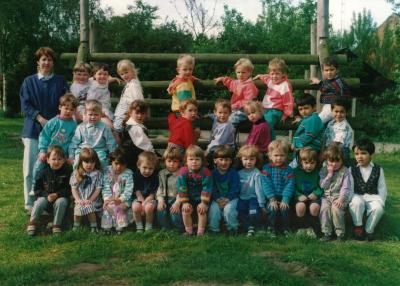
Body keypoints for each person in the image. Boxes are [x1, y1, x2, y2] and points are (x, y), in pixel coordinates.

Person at [20, 47, 69, 212]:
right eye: (43, 59)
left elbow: (67, 103)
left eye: (49, 60)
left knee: (57, 167)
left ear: (53, 63)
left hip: (57, 133)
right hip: (33, 130)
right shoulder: (28, 82)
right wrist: (40, 119)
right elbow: (25, 105)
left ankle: (54, 202)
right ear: (38, 62)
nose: (46, 62)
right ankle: (30, 204)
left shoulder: (60, 81)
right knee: (31, 168)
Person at [31, 93, 78, 186]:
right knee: (39, 166)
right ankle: (35, 185)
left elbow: (73, 142)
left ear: (74, 111)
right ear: (60, 107)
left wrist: (71, 156)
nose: (68, 111)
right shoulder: (53, 122)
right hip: (49, 153)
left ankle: (69, 191)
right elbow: (44, 136)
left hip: (63, 155)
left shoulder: (74, 125)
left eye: (71, 109)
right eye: (66, 108)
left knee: (69, 171)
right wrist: (43, 151)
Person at [27, 146, 72, 236]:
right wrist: (46, 195)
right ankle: (32, 223)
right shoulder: (43, 172)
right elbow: (37, 190)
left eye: (59, 159)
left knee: (61, 201)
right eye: (53, 159)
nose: (56, 161)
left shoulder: (67, 173)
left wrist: (57, 194)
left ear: (64, 160)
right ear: (48, 160)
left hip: (60, 201)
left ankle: (56, 225)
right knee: (39, 201)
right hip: (46, 199)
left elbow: (69, 189)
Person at [349, 139, 387, 241]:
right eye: (356, 154)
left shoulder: (378, 169)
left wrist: (381, 202)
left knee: (378, 208)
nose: (359, 157)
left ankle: (369, 230)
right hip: (357, 195)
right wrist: (350, 199)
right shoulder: (352, 169)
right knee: (356, 203)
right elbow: (350, 187)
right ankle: (358, 227)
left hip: (373, 196)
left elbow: (382, 188)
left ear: (371, 154)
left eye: (363, 153)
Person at [253, 57, 294, 139]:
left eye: (277, 74)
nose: (274, 76)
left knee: (267, 125)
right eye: (272, 74)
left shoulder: (285, 85)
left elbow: (288, 101)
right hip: (266, 109)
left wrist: (286, 114)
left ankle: (271, 143)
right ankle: (260, 142)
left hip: (276, 110)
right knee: (258, 122)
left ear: (283, 74)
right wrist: (259, 76)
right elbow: (266, 78)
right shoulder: (271, 81)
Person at [69, 100, 117, 168]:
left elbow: (111, 142)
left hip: (98, 151)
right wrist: (71, 156)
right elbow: (74, 143)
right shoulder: (80, 127)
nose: (93, 117)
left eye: (96, 114)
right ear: (85, 114)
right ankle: (78, 177)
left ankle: (101, 177)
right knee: (77, 163)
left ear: (100, 115)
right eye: (90, 114)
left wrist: (112, 154)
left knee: (102, 163)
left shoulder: (104, 127)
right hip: (83, 150)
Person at [319, 143, 352, 241]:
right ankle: (326, 232)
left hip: (339, 197)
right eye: (331, 161)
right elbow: (322, 186)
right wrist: (329, 175)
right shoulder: (324, 170)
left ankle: (340, 234)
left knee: (336, 209)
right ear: (326, 160)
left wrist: (341, 199)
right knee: (324, 209)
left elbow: (346, 188)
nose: (334, 164)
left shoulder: (345, 171)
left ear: (342, 160)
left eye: (337, 161)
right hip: (326, 197)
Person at [261, 139, 295, 236]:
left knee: (285, 209)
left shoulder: (289, 170)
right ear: (270, 156)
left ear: (286, 156)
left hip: (284, 197)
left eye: (282, 155)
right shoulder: (266, 168)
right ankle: (271, 228)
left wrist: (285, 199)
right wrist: (272, 199)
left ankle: (286, 228)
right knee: (272, 209)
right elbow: (266, 185)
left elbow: (290, 185)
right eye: (276, 155)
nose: (279, 158)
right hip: (271, 197)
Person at [177, 145, 213, 236]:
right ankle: (189, 231)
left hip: (202, 198)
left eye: (197, 159)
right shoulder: (183, 172)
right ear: (186, 161)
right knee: (185, 211)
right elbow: (182, 187)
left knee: (201, 211)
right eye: (191, 159)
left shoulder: (206, 172)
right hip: (188, 198)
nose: (194, 162)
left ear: (202, 161)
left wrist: (204, 202)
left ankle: (200, 233)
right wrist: (185, 202)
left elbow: (207, 188)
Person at [214, 58, 258, 127]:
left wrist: (236, 105)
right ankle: (219, 134)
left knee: (231, 120)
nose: (240, 74)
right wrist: (223, 79)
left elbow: (248, 101)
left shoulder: (250, 86)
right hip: (234, 109)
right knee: (218, 118)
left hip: (244, 111)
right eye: (238, 72)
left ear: (250, 73)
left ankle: (229, 135)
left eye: (243, 72)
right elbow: (230, 82)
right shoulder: (237, 82)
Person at [167, 54, 201, 140]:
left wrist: (194, 78)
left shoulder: (183, 79)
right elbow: (185, 102)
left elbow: (188, 77)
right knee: (193, 131)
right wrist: (192, 113)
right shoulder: (182, 85)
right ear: (178, 70)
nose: (188, 72)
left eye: (190, 69)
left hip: (183, 111)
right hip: (183, 112)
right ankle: (190, 147)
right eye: (185, 69)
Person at [208, 145, 240, 235]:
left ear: (230, 161)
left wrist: (228, 199)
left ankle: (232, 228)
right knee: (214, 209)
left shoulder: (233, 173)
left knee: (229, 209)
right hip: (217, 198)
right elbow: (211, 188)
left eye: (226, 160)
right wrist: (217, 199)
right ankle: (214, 229)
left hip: (231, 198)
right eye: (221, 160)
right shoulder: (212, 174)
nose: (224, 162)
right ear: (215, 161)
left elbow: (235, 189)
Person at [70, 148, 103, 233]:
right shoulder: (76, 173)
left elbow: (98, 189)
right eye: (86, 162)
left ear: (96, 162)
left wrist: (90, 200)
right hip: (80, 199)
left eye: (92, 162)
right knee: (78, 208)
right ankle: (76, 225)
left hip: (93, 199)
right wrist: (78, 199)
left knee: (89, 207)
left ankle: (94, 226)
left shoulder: (97, 174)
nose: (89, 165)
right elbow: (74, 188)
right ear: (81, 162)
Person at [101, 147, 134, 234]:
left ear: (126, 164)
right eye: (116, 163)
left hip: (123, 199)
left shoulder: (128, 173)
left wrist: (120, 199)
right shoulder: (107, 171)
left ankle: (120, 227)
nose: (119, 167)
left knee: (119, 208)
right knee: (107, 207)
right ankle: (107, 227)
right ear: (111, 162)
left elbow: (128, 190)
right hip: (110, 198)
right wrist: (107, 199)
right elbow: (105, 187)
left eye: (122, 164)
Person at [310, 56, 351, 123]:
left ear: (337, 70)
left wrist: (319, 82)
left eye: (332, 70)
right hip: (331, 106)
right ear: (323, 71)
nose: (329, 72)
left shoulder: (338, 81)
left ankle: (311, 130)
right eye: (326, 70)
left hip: (336, 107)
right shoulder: (330, 81)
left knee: (318, 121)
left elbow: (327, 87)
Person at [236, 145, 265, 237]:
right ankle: (248, 227)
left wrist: (261, 204)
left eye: (252, 159)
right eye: (245, 159)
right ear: (241, 159)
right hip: (242, 198)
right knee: (241, 212)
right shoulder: (239, 173)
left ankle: (256, 226)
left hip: (253, 198)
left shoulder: (257, 173)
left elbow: (259, 190)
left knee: (253, 212)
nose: (248, 162)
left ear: (256, 160)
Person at [293, 147, 323, 236]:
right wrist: (298, 195)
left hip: (313, 196)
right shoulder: (295, 172)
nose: (309, 166)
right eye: (306, 163)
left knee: (314, 208)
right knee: (300, 207)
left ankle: (312, 228)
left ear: (316, 163)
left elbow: (322, 186)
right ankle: (301, 228)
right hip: (300, 196)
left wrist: (316, 193)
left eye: (312, 163)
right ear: (301, 162)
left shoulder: (318, 173)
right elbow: (292, 187)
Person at [291, 93, 324, 168]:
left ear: (314, 107)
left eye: (306, 108)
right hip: (306, 150)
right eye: (300, 109)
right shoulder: (309, 119)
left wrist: (295, 143)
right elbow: (307, 127)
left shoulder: (313, 119)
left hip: (310, 151)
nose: (303, 112)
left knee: (294, 168)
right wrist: (300, 121)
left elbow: (309, 135)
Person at [120, 100, 154, 171]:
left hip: (132, 155)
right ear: (130, 113)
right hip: (133, 156)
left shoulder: (133, 124)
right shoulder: (134, 127)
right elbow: (144, 144)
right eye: (137, 113)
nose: (140, 116)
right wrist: (153, 154)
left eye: (142, 113)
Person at [156, 147, 184, 232]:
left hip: (177, 198)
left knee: (174, 213)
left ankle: (178, 228)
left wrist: (177, 202)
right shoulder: (161, 173)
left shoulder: (181, 174)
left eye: (175, 161)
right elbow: (160, 188)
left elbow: (183, 190)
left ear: (179, 162)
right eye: (169, 161)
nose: (172, 164)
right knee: (161, 210)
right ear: (165, 161)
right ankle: (165, 228)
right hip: (164, 197)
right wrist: (160, 200)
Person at [113, 59, 144, 136]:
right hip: (123, 114)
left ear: (132, 71)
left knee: (116, 130)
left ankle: (119, 147)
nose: (124, 76)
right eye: (122, 74)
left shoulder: (133, 85)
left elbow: (136, 101)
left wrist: (130, 114)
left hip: (126, 115)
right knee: (117, 130)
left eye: (126, 72)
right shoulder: (130, 84)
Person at [132, 151, 159, 232]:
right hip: (139, 198)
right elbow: (137, 191)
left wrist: (144, 204)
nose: (147, 171)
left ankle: (148, 226)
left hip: (150, 199)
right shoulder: (135, 176)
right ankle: (139, 226)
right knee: (136, 207)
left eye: (151, 168)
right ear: (138, 166)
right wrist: (142, 202)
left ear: (154, 168)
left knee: (149, 207)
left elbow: (152, 194)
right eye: (145, 167)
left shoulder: (155, 177)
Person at [205, 99, 236, 168]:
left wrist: (208, 149)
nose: (222, 115)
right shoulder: (217, 119)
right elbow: (214, 116)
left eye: (225, 113)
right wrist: (209, 115)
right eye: (220, 112)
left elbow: (218, 142)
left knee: (209, 159)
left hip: (226, 149)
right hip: (218, 147)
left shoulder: (226, 126)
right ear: (215, 112)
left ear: (230, 113)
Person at [323, 98, 354, 166]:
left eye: (342, 112)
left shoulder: (346, 127)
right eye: (336, 111)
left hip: (341, 151)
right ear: (332, 111)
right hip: (329, 149)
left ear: (346, 112)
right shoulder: (330, 123)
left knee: (340, 168)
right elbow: (325, 137)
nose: (339, 114)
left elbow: (342, 144)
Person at [86, 63, 114, 128]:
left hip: (106, 109)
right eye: (100, 74)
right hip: (97, 111)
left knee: (112, 127)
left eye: (105, 74)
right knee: (110, 126)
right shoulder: (93, 86)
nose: (102, 76)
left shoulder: (105, 82)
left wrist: (114, 79)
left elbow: (108, 78)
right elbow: (90, 103)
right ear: (94, 76)